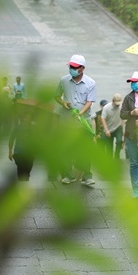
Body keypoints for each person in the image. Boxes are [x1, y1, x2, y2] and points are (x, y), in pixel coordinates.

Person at [54, 54, 96, 186]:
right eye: (70, 66)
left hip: (83, 122)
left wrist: (80, 113)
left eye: (75, 67)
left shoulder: (90, 83)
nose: (71, 69)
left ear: (82, 68)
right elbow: (56, 96)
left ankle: (87, 176)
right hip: (66, 122)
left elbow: (90, 101)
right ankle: (68, 174)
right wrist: (62, 103)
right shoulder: (63, 81)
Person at [100, 94, 124, 159]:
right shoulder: (106, 108)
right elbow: (103, 119)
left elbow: (123, 116)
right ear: (113, 101)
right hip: (108, 128)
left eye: (118, 104)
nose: (117, 105)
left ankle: (117, 157)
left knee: (119, 141)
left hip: (118, 127)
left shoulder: (121, 107)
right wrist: (106, 130)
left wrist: (122, 125)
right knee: (109, 147)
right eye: (116, 104)